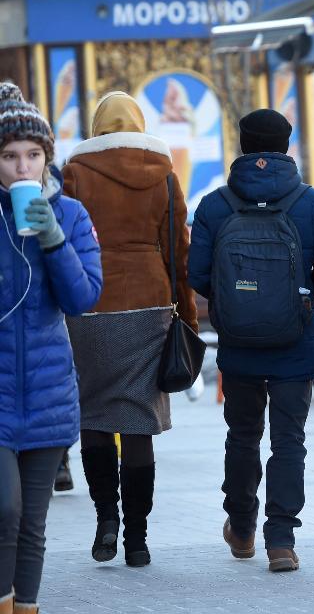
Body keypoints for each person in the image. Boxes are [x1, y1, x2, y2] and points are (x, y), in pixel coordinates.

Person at [188, 109, 314, 573]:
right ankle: (280, 539)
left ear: (243, 144)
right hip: (294, 343)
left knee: (241, 435)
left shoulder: (216, 205)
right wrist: (300, 296)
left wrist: (237, 302)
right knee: (288, 440)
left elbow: (199, 274)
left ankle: (241, 526)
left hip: (238, 344)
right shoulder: (312, 203)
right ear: (286, 143)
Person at [62, 91, 198, 568]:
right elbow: (179, 252)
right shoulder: (163, 173)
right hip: (149, 303)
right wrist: (188, 313)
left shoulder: (75, 173)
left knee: (95, 417)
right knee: (139, 424)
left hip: (91, 305)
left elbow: (64, 247)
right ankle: (137, 540)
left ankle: (105, 524)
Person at [0, 81, 102, 613]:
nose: (22, 169)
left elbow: (82, 297)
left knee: (33, 524)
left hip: (47, 393)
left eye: (32, 156)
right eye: (10, 156)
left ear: (47, 159)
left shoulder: (72, 216)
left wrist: (52, 240)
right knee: (4, 510)